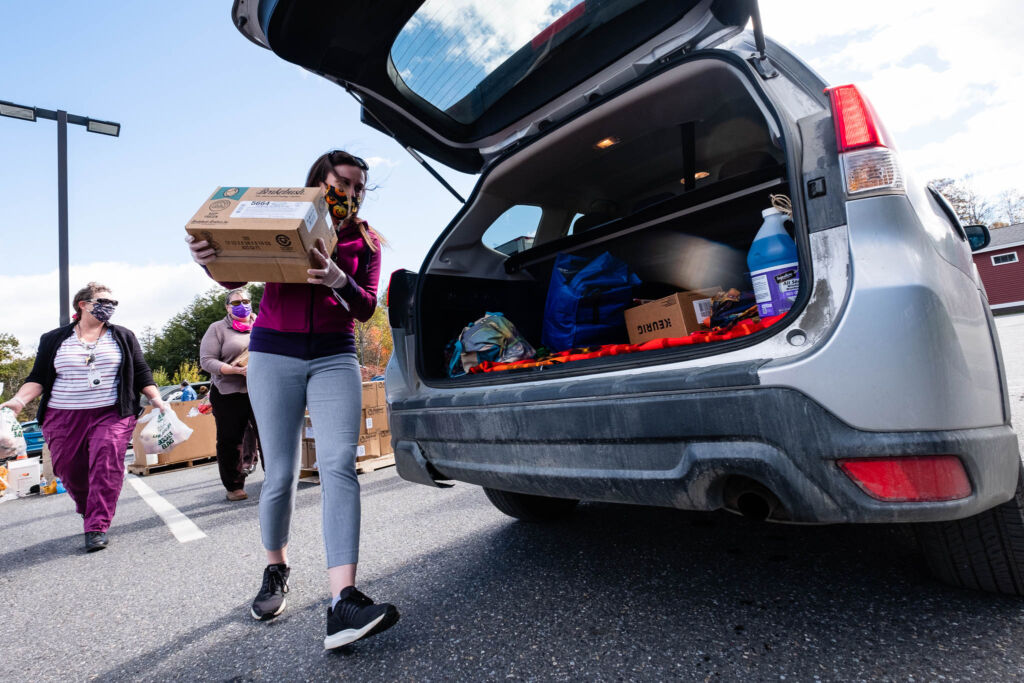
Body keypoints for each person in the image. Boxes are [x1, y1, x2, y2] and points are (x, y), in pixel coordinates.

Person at [187, 150, 398, 649]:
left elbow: (367, 307)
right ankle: (275, 568)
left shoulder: (365, 240)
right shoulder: (285, 220)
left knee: (339, 466)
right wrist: (209, 260)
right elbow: (235, 276)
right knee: (280, 471)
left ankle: (342, 599)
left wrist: (337, 279)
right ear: (320, 180)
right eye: (343, 182)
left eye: (359, 187)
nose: (350, 193)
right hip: (273, 354)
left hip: (334, 355)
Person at [0, 282, 168, 551]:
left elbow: (140, 370)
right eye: (103, 302)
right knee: (70, 471)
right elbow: (38, 377)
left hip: (111, 413)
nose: (110, 308)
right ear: (83, 304)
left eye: (114, 304)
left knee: (106, 462)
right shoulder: (54, 339)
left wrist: (157, 398)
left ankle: (97, 525)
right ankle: (88, 508)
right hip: (63, 416)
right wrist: (19, 401)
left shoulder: (123, 336)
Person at [199, 287, 258, 501]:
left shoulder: (262, 323)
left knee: (270, 436)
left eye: (245, 300)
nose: (241, 305)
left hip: (261, 389)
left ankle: (277, 481)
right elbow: (206, 360)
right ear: (227, 307)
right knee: (230, 441)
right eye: (235, 302)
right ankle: (234, 487)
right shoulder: (217, 329)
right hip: (229, 392)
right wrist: (234, 370)